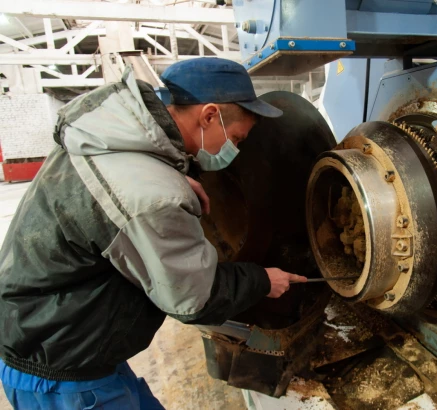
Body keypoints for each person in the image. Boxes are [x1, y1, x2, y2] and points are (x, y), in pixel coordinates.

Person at [0, 57, 307, 409]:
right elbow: (195, 300)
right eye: (236, 138)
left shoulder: (107, 135)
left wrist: (175, 175)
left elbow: (110, 198)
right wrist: (262, 281)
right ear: (209, 115)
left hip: (67, 336)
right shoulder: (153, 194)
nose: (234, 151)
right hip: (60, 374)